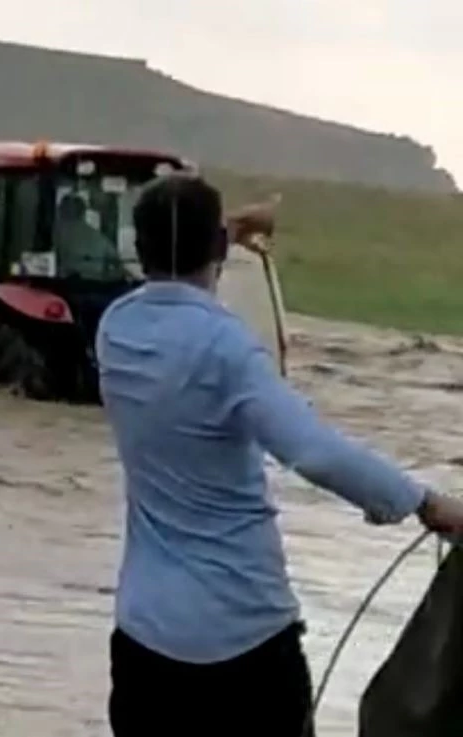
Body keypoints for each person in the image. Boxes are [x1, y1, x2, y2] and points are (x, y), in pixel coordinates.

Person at [95, 172, 463, 737]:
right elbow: (312, 451)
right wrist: (422, 501)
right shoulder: (228, 348)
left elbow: (172, 289)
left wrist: (229, 230)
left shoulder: (115, 330)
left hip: (144, 644)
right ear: (219, 249)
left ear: (139, 250)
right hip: (243, 643)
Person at [54, 193, 126, 280]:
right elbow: (117, 263)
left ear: (61, 211)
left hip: (63, 286)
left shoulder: (56, 234)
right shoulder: (99, 237)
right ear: (83, 212)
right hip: (96, 286)